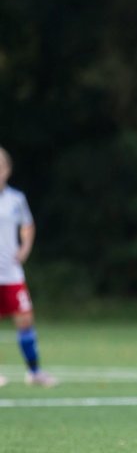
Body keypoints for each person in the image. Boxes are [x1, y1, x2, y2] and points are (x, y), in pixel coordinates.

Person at [0, 146, 58, 387]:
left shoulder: (16, 199)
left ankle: (34, 372)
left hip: (11, 273)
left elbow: (28, 226)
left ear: (8, 170)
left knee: (25, 319)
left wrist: (24, 249)